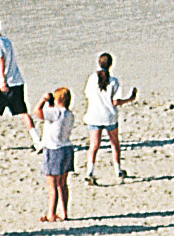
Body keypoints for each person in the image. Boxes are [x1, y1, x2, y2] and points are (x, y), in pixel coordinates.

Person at [84, 53, 138, 182]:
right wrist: (130, 99)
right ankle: (118, 171)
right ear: (111, 64)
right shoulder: (114, 81)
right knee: (115, 144)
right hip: (109, 116)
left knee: (94, 146)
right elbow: (115, 102)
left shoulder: (92, 78)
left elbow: (87, 94)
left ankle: (89, 172)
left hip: (94, 115)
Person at [0, 16, 36, 142]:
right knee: (22, 112)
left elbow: (1, 61)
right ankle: (36, 139)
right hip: (16, 80)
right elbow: (3, 63)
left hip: (4, 82)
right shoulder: (7, 41)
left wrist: (2, 81)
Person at [36, 86, 77, 221]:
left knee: (52, 185)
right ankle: (64, 212)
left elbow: (37, 112)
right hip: (67, 148)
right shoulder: (69, 114)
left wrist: (43, 100)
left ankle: (51, 214)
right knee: (63, 184)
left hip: (54, 150)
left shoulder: (56, 113)